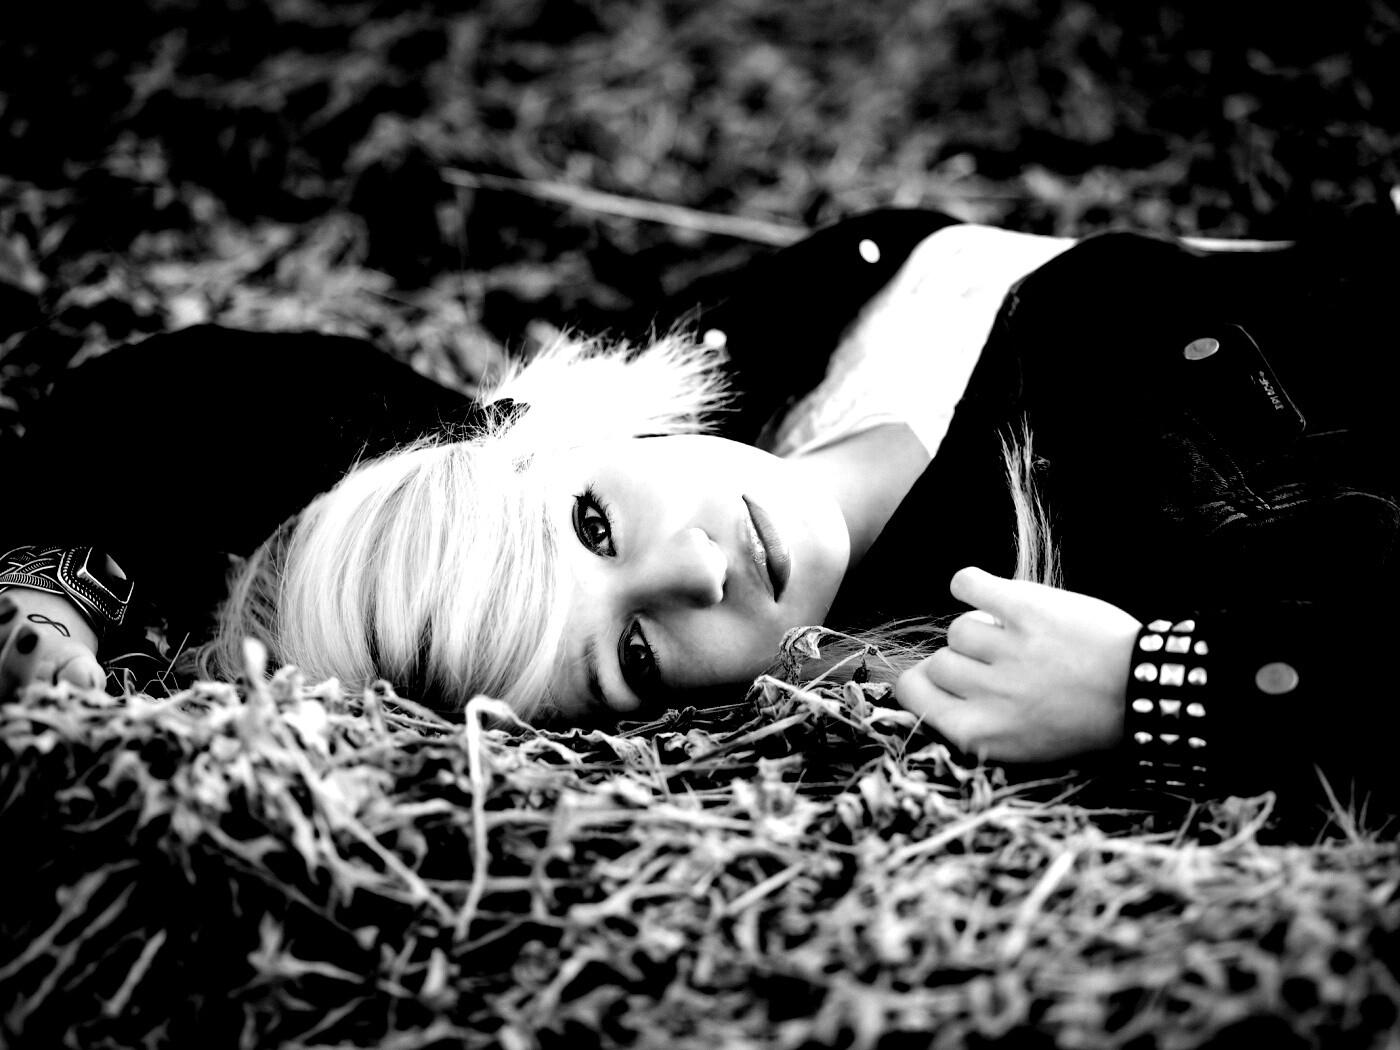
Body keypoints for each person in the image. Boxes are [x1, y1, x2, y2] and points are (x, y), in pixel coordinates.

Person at [2, 206, 1397, 818]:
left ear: (546, 435)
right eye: (634, 655)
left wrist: (48, 586)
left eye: (594, 529)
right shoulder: (1049, 579)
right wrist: (1157, 688)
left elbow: (198, 406)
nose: (689, 575)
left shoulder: (737, 382)